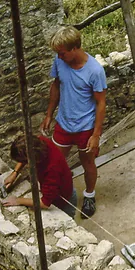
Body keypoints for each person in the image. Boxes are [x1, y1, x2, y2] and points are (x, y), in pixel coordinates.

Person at [40, 26, 107, 219]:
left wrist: (96, 135)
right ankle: (59, 195)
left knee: (88, 163)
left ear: (74, 48)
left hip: (85, 128)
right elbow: (56, 86)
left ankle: (89, 195)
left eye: (62, 53)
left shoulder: (94, 71)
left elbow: (101, 103)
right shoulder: (60, 61)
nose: (59, 57)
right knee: (53, 162)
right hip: (64, 124)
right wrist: (49, 115)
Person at [2, 134, 77, 218]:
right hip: (58, 187)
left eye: (26, 162)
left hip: (63, 200)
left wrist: (18, 201)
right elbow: (26, 153)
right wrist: (15, 173)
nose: (25, 164)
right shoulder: (39, 142)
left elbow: (45, 203)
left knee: (67, 218)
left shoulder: (51, 170)